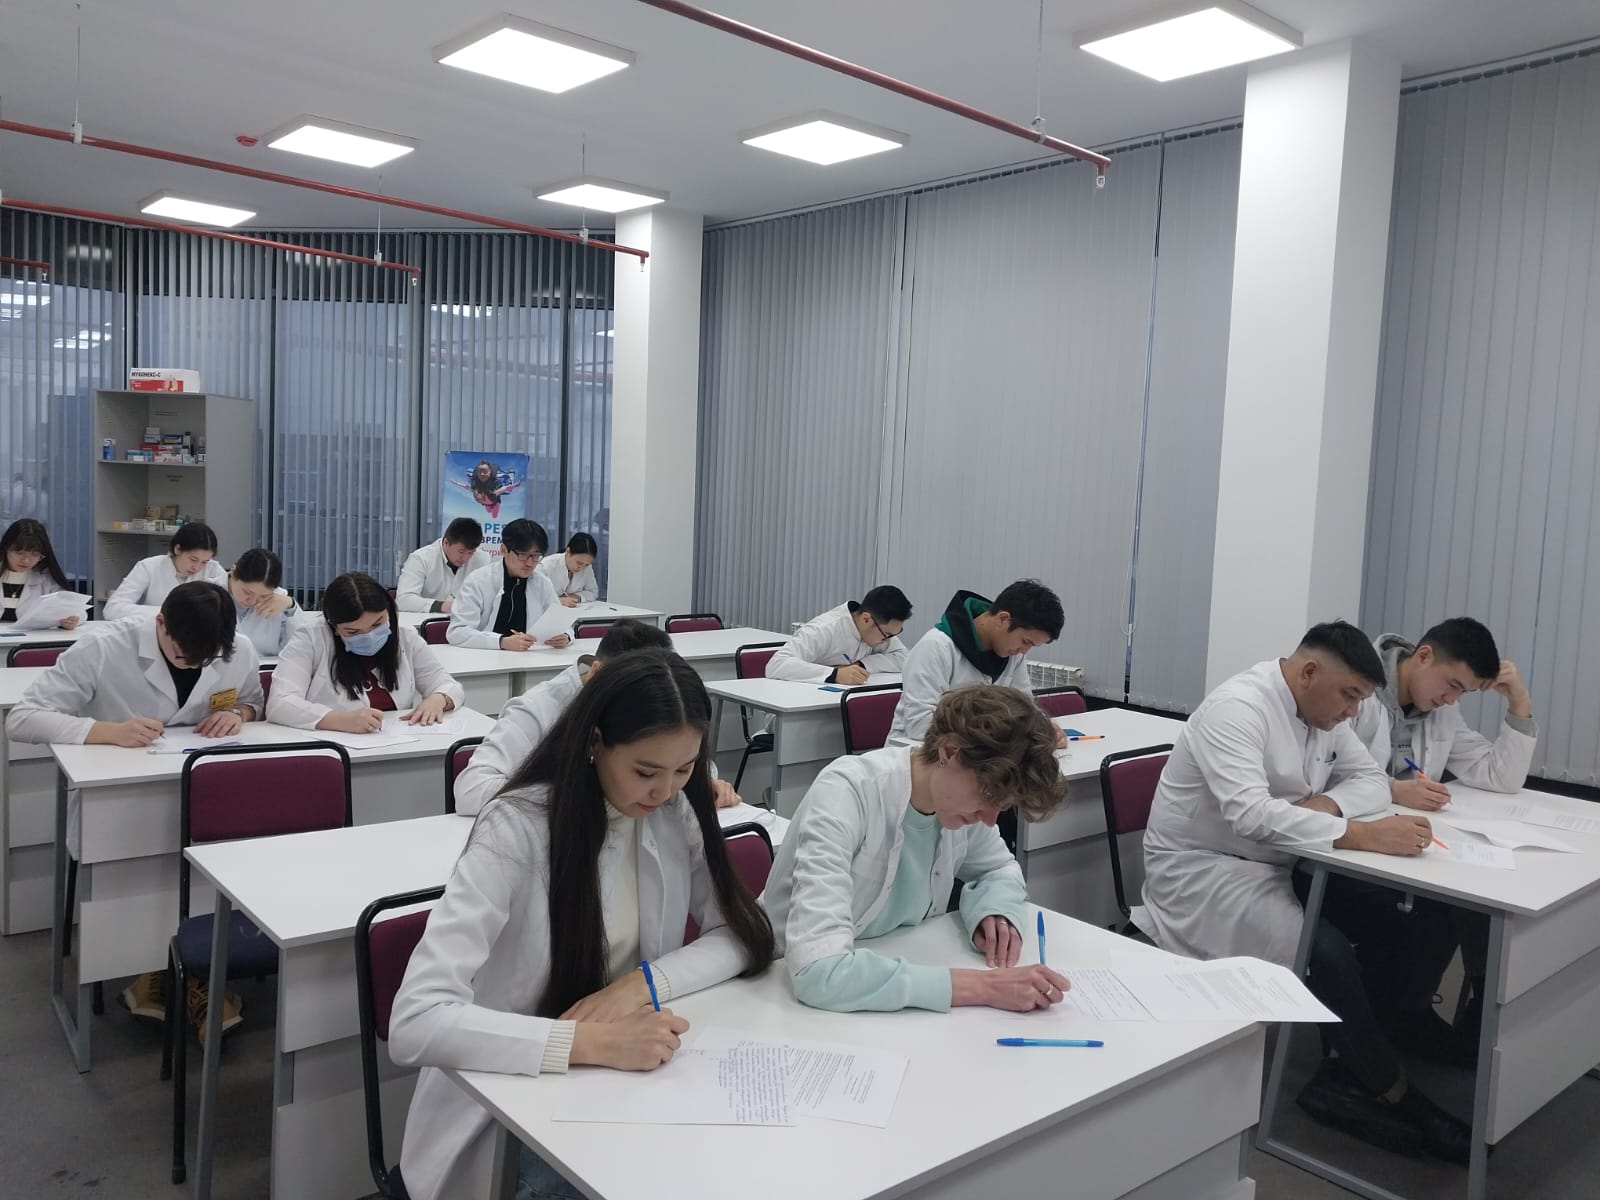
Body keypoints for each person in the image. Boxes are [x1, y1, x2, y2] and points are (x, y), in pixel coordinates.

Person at [388, 651, 776, 1200]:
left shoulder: (672, 812)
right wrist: (588, 1041)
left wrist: (639, 986)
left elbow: (741, 933)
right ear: (595, 742)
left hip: (625, 1081)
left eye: (685, 769)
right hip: (510, 1108)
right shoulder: (516, 826)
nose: (665, 791)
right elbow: (414, 1021)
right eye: (646, 771)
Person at [1130, 621, 1471, 1164]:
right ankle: (1391, 1091)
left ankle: (1354, 1063)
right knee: (1325, 952)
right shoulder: (1238, 709)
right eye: (1349, 696)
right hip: (1207, 871)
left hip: (1289, 856)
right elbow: (1249, 816)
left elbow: (1371, 781)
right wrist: (1359, 833)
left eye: (1361, 699)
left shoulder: (1323, 711)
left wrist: (1326, 807)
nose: (1353, 713)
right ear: (1309, 672)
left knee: (1415, 916)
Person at [6, 581, 263, 1032]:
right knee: (142, 886)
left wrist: (238, 713)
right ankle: (159, 971)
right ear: (160, 622)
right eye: (184, 656)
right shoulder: (104, 646)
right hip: (119, 802)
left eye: (205, 660)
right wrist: (107, 731)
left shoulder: (236, 648)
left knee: (213, 872)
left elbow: (253, 700)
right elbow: (22, 719)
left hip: (205, 793)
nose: (195, 666)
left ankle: (188, 971)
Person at [762, 685, 1071, 1014]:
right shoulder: (847, 793)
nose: (990, 819)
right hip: (778, 986)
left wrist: (994, 909)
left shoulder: (960, 807)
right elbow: (819, 972)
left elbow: (999, 869)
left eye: (1002, 806)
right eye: (988, 797)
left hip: (887, 969)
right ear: (949, 752)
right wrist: (983, 986)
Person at [1349, 617, 1538, 1051]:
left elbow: (1499, 776)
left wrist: (1519, 701)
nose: (1451, 699)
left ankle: (1414, 1013)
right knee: (1437, 911)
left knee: (1469, 901)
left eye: (1462, 693)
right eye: (1451, 685)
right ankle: (1381, 1032)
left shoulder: (1441, 710)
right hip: (1351, 849)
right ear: (1424, 656)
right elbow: (1324, 775)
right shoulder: (1357, 690)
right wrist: (1393, 789)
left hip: (1409, 850)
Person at [453, 621, 742, 816]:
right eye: (644, 773)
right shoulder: (537, 708)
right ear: (598, 672)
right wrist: (587, 791)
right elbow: (471, 790)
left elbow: (678, 758)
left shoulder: (656, 705)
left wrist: (704, 781)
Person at [268, 572, 463, 733]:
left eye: (377, 624)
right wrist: (339, 720)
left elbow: (448, 685)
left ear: (388, 612)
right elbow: (280, 703)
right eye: (353, 632)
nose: (368, 636)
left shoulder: (405, 636)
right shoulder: (310, 639)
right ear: (334, 627)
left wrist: (439, 699)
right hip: (333, 747)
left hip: (397, 745)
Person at [886, 579, 1066, 746]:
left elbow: (1025, 709)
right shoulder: (936, 646)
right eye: (1025, 641)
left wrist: (1042, 728)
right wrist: (996, 731)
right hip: (918, 754)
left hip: (980, 755)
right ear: (1003, 619)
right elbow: (920, 725)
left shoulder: (1013, 654)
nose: (1024, 651)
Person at [447, 519, 570, 652]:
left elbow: (560, 621)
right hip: (484, 656)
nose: (530, 563)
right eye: (523, 555)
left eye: (535, 556)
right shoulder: (478, 581)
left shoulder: (542, 583)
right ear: (504, 550)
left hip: (530, 656)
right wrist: (501, 642)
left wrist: (566, 636)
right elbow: (457, 632)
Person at [765, 586, 912, 684]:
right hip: (798, 707)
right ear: (866, 619)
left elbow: (904, 657)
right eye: (887, 635)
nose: (887, 641)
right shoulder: (823, 629)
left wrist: (861, 665)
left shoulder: (877, 630)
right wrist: (835, 674)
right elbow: (776, 665)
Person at [105, 523, 227, 620]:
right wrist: (168, 612)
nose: (197, 567)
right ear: (177, 549)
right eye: (193, 559)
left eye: (204, 562)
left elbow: (228, 610)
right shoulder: (149, 567)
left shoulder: (213, 569)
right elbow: (113, 609)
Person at [397, 518, 491, 614]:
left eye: (471, 553)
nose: (465, 558)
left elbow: (488, 597)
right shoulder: (420, 559)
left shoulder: (482, 559)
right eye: (461, 552)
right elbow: (403, 600)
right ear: (446, 542)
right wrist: (442, 606)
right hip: (424, 620)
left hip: (466, 620)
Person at [0, 518, 82, 628]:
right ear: (6, 548)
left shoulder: (46, 578)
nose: (26, 560)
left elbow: (76, 610)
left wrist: (72, 620)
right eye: (20, 553)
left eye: (35, 554)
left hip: (32, 637)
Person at [226, 548, 301, 658]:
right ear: (233, 572)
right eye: (247, 592)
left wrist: (291, 606)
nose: (252, 601)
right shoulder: (206, 593)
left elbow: (299, 646)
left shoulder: (280, 600)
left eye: (263, 596)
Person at [536, 532, 600, 607]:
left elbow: (593, 592)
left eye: (586, 565)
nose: (581, 568)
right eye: (579, 563)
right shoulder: (546, 565)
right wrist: (557, 600)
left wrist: (577, 596)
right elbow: (535, 595)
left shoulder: (586, 567)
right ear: (568, 551)